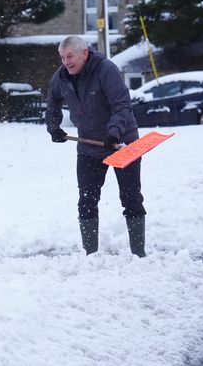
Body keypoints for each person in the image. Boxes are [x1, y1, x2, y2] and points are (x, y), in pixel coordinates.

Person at [45, 35, 146, 257]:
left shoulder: (105, 70)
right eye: (62, 58)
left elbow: (122, 105)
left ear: (84, 53)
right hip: (89, 146)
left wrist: (114, 133)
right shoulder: (62, 76)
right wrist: (54, 127)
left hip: (122, 143)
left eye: (70, 56)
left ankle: (139, 254)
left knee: (131, 198)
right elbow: (52, 100)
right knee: (87, 200)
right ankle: (90, 255)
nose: (66, 62)